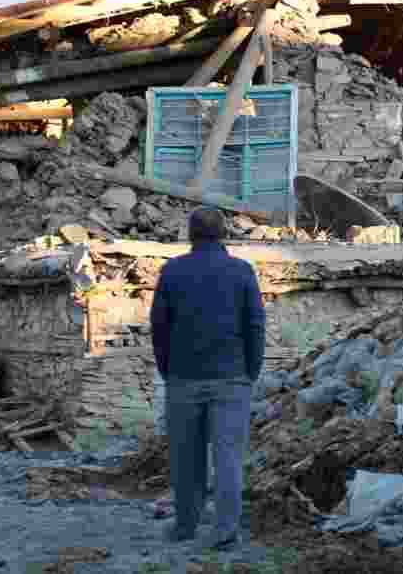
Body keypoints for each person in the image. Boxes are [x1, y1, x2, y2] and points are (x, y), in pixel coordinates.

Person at [150, 207, 266, 550]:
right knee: (228, 459)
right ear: (223, 234)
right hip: (232, 378)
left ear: (191, 234)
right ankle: (225, 532)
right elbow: (255, 326)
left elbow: (159, 327)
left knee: (187, 457)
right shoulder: (242, 271)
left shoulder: (172, 271)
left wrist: (168, 369)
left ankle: (185, 526)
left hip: (183, 378)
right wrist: (251, 371)